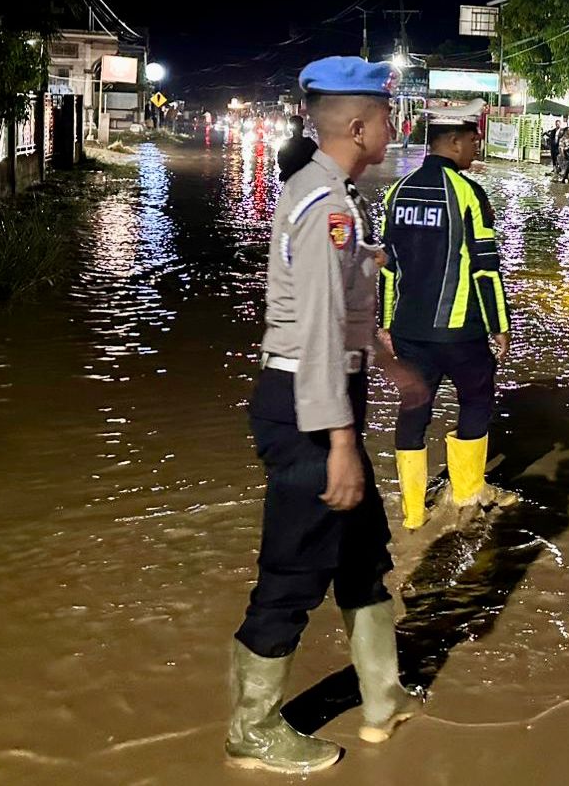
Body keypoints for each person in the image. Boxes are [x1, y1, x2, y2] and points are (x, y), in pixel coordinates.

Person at [226, 56, 422, 774]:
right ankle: (251, 729)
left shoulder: (329, 192)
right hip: (307, 411)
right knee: (292, 573)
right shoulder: (327, 207)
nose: (395, 127)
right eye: (387, 114)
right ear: (360, 124)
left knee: (364, 553)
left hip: (324, 402)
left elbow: (335, 310)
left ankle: (383, 697)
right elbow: (311, 330)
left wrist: (382, 352)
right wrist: (340, 441)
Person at [378, 99, 517, 530]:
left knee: (413, 411)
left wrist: (385, 323)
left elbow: (386, 266)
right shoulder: (468, 194)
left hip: (408, 332)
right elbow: (485, 269)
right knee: (476, 400)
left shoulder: (395, 192)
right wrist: (500, 326)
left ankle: (414, 512)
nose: (476, 149)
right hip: (460, 333)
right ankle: (467, 492)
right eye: (473, 141)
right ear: (453, 142)